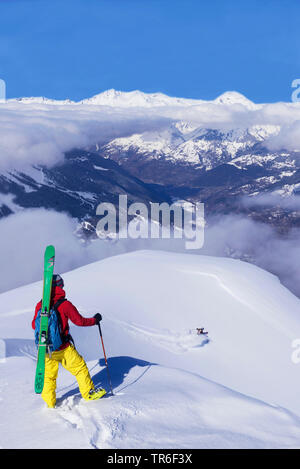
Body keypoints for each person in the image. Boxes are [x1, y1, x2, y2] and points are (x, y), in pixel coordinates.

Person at [32, 274, 106, 408]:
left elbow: (34, 325)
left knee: (49, 377)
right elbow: (80, 321)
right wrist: (95, 321)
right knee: (79, 367)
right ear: (60, 287)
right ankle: (88, 393)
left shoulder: (40, 305)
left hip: (45, 349)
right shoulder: (65, 304)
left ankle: (50, 403)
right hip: (63, 347)